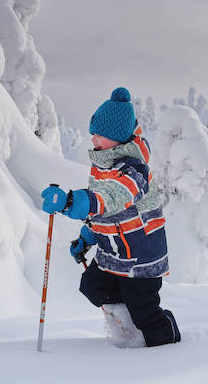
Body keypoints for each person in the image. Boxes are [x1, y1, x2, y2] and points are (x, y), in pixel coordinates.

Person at [42, 87, 181, 347]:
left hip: (140, 258)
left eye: (100, 135)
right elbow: (105, 216)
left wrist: (70, 201)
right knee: (92, 286)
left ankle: (167, 349)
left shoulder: (134, 171)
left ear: (117, 137)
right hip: (114, 254)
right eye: (93, 133)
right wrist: (87, 237)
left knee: (145, 313)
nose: (93, 139)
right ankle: (129, 326)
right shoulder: (101, 167)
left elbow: (111, 199)